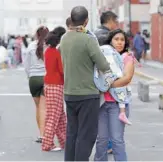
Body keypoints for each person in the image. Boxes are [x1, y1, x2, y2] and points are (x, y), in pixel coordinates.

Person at [60, 6, 114, 161]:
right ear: (86, 21)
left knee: (72, 133)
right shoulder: (88, 39)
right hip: (87, 94)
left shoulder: (64, 38)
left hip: (69, 93)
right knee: (87, 135)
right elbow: (103, 64)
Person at [94, 29, 135, 161]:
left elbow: (126, 78)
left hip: (117, 105)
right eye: (116, 39)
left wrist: (105, 85)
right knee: (101, 140)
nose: (119, 42)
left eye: (122, 40)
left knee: (117, 140)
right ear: (110, 41)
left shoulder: (127, 57)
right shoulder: (103, 55)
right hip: (102, 103)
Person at [94, 11, 119, 154]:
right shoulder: (106, 36)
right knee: (109, 112)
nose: (116, 24)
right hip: (107, 78)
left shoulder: (94, 35)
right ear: (110, 21)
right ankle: (108, 144)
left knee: (102, 114)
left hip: (97, 78)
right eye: (115, 21)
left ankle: (105, 144)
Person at [41, 27, 67, 152]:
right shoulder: (56, 53)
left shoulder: (47, 52)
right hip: (56, 85)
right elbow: (62, 70)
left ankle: (65, 142)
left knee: (59, 115)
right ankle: (47, 144)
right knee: (54, 116)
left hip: (48, 84)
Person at [24, 26, 49, 143]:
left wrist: (30, 75)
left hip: (33, 79)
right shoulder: (50, 45)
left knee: (38, 107)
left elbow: (26, 65)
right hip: (46, 77)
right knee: (44, 108)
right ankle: (45, 134)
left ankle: (41, 133)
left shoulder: (30, 46)